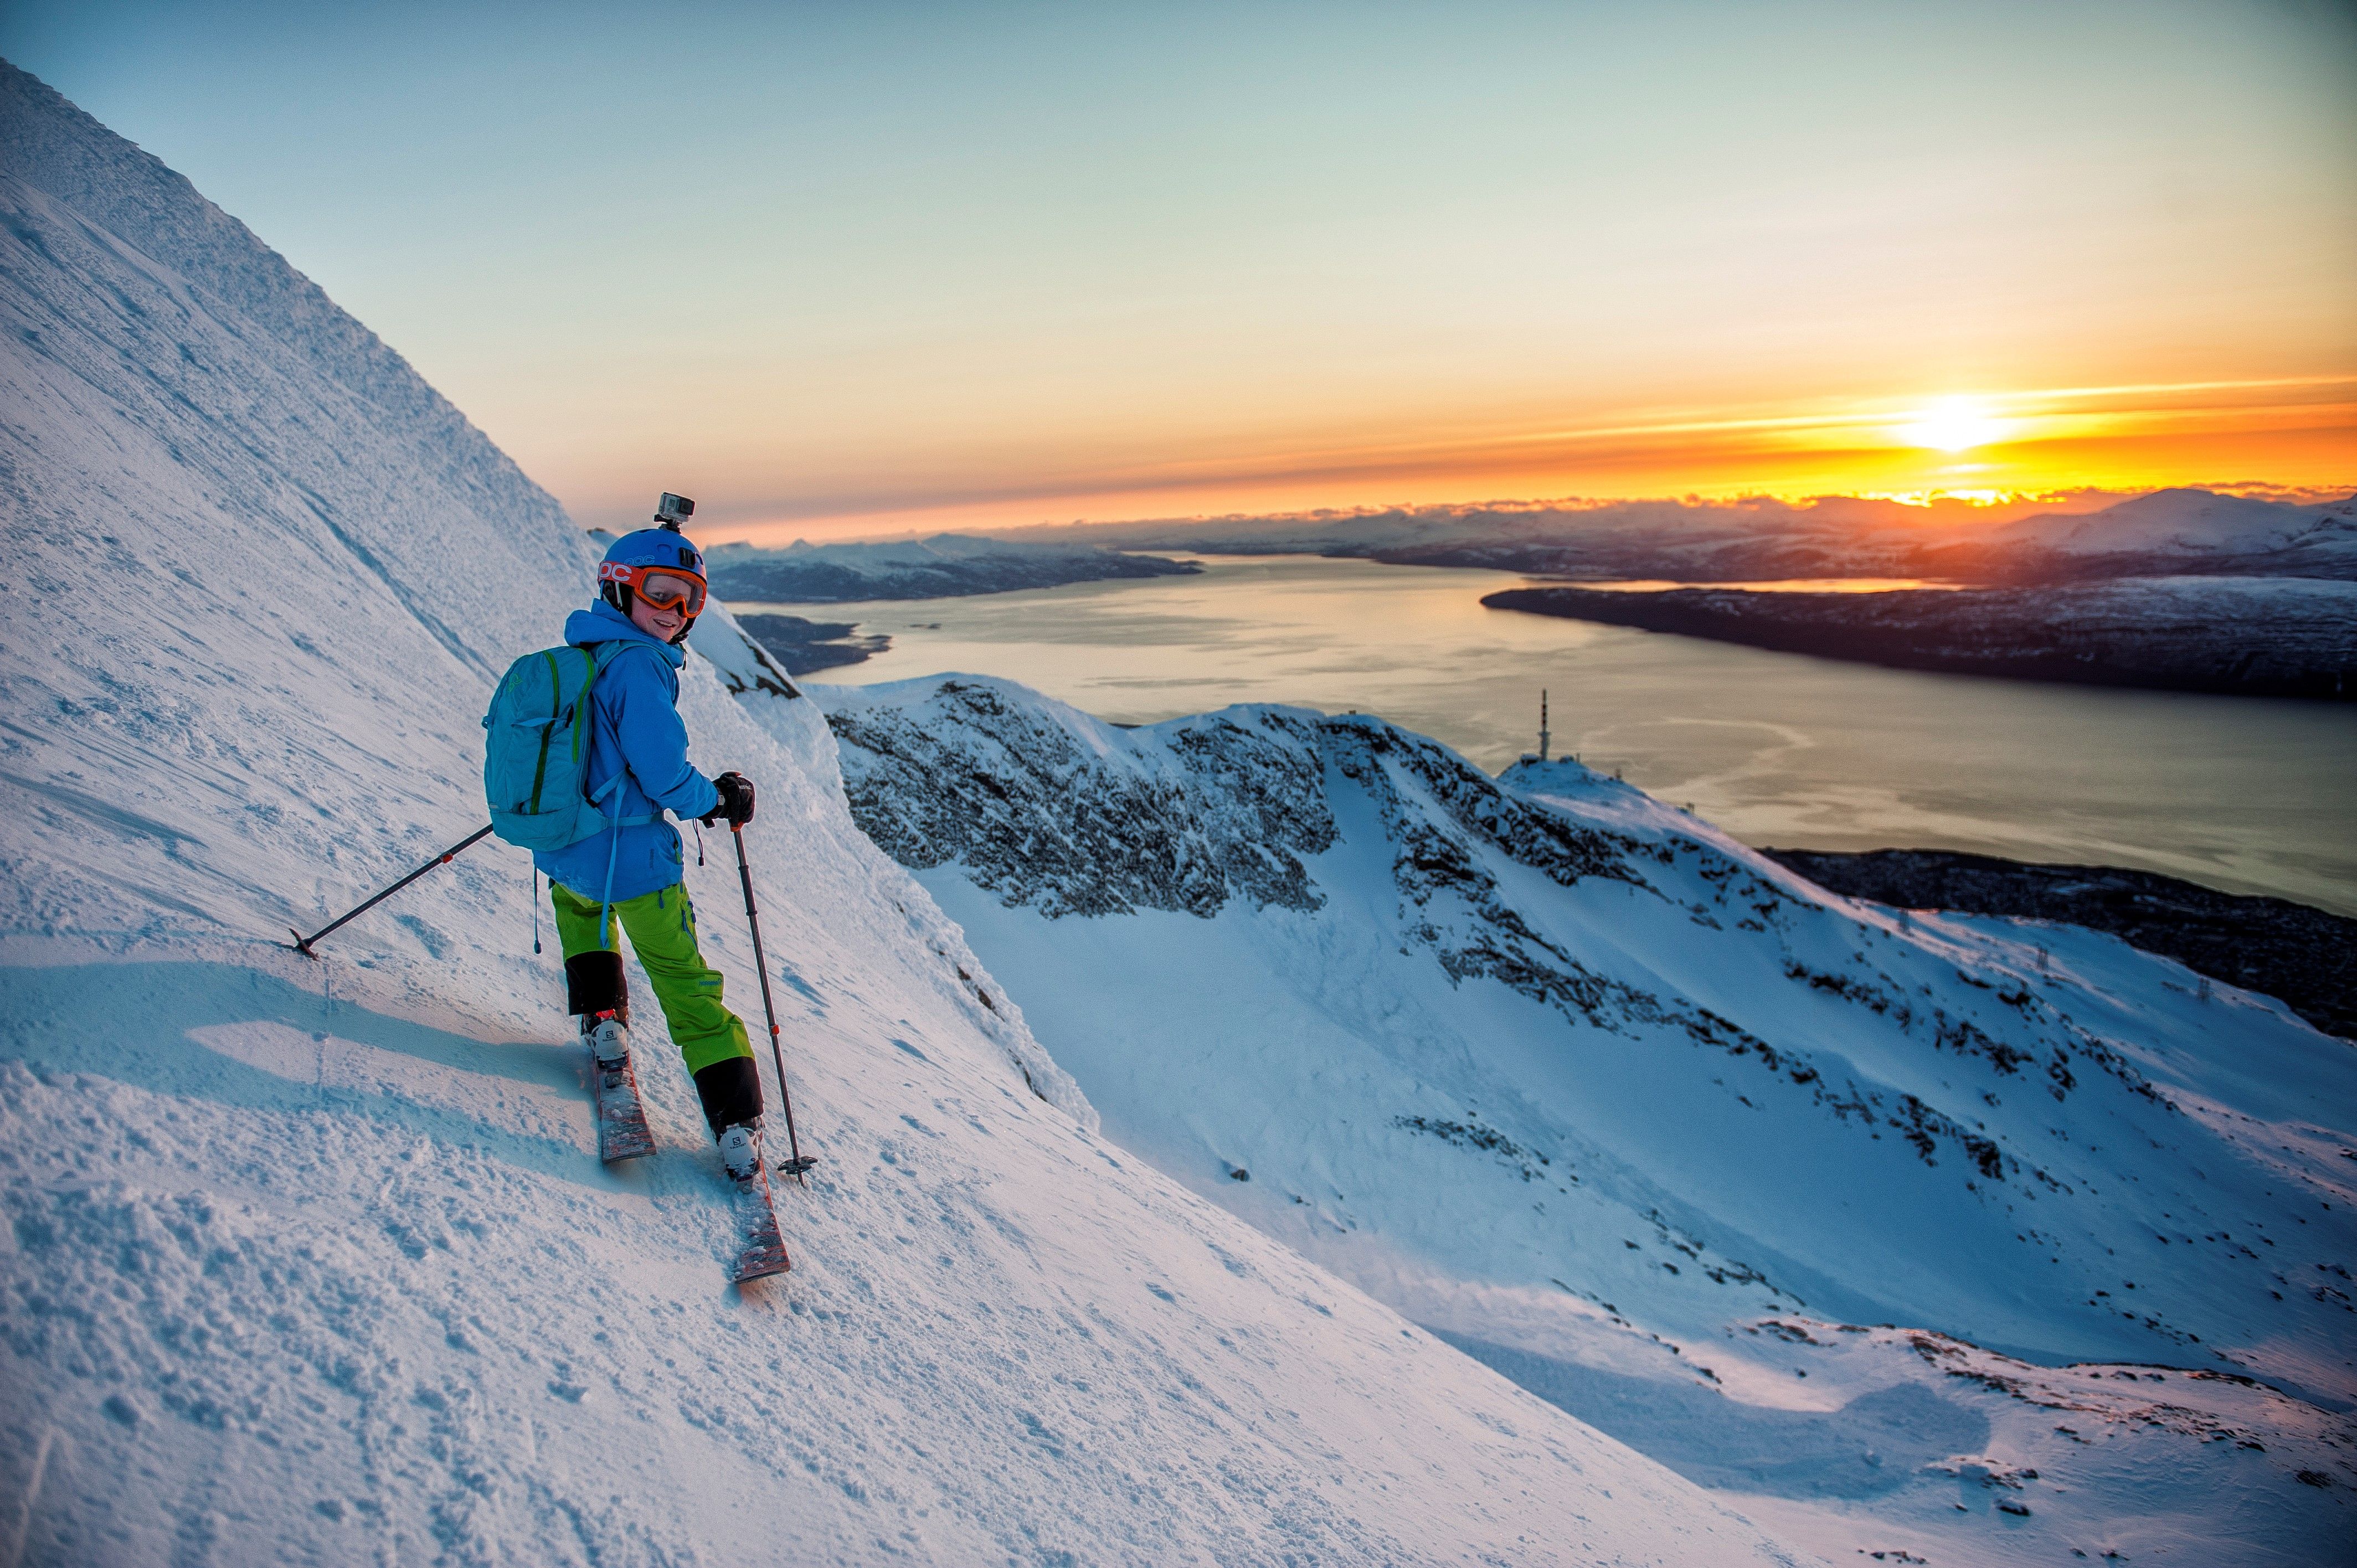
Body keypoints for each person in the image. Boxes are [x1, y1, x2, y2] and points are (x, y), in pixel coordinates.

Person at [538, 523, 768, 1182]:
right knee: (684, 981)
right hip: (635, 862)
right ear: (618, 588)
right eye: (661, 593)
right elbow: (666, 777)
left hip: (564, 848)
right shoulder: (639, 668)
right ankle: (734, 1122)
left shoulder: (585, 652)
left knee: (583, 921)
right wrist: (719, 798)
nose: (676, 614)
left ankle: (603, 1019)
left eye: (690, 600)